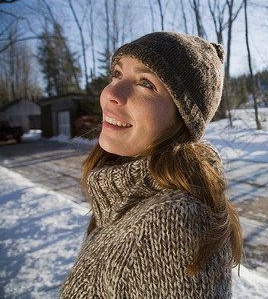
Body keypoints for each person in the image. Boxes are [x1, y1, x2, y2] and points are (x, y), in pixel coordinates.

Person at [59, 31, 243, 298]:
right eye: (118, 74)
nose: (111, 92)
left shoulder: (171, 226)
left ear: (181, 120)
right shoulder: (126, 201)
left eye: (145, 83)